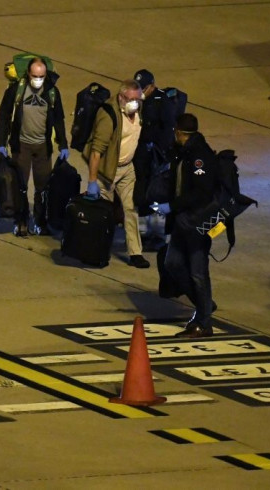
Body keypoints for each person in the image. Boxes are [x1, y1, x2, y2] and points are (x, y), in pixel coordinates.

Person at [154, 114, 218, 338]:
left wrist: (171, 206)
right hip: (183, 221)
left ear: (180, 132)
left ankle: (204, 321)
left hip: (197, 223)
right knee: (172, 263)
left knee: (198, 273)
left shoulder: (200, 156)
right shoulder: (184, 151)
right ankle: (205, 305)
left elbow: (201, 193)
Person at [0, 56, 70, 237]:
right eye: (35, 75)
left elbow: (59, 119)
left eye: (42, 76)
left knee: (43, 187)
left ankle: (40, 221)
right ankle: (21, 221)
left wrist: (63, 144)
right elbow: (4, 116)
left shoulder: (52, 92)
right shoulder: (16, 91)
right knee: (20, 186)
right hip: (21, 146)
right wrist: (1, 144)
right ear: (28, 74)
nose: (38, 79)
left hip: (42, 147)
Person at [85, 79, 150, 268]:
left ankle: (135, 253)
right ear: (121, 97)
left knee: (131, 210)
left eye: (138, 99)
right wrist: (92, 181)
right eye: (131, 99)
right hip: (108, 171)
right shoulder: (108, 115)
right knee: (103, 215)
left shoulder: (138, 111)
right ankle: (97, 251)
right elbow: (96, 151)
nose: (135, 103)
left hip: (127, 168)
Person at [132, 69, 176, 226]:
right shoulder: (136, 99)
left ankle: (152, 225)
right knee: (139, 185)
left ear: (152, 85)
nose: (140, 91)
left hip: (154, 154)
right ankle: (141, 220)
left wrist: (161, 153)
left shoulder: (162, 101)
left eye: (143, 88)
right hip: (140, 151)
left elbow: (168, 129)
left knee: (152, 189)